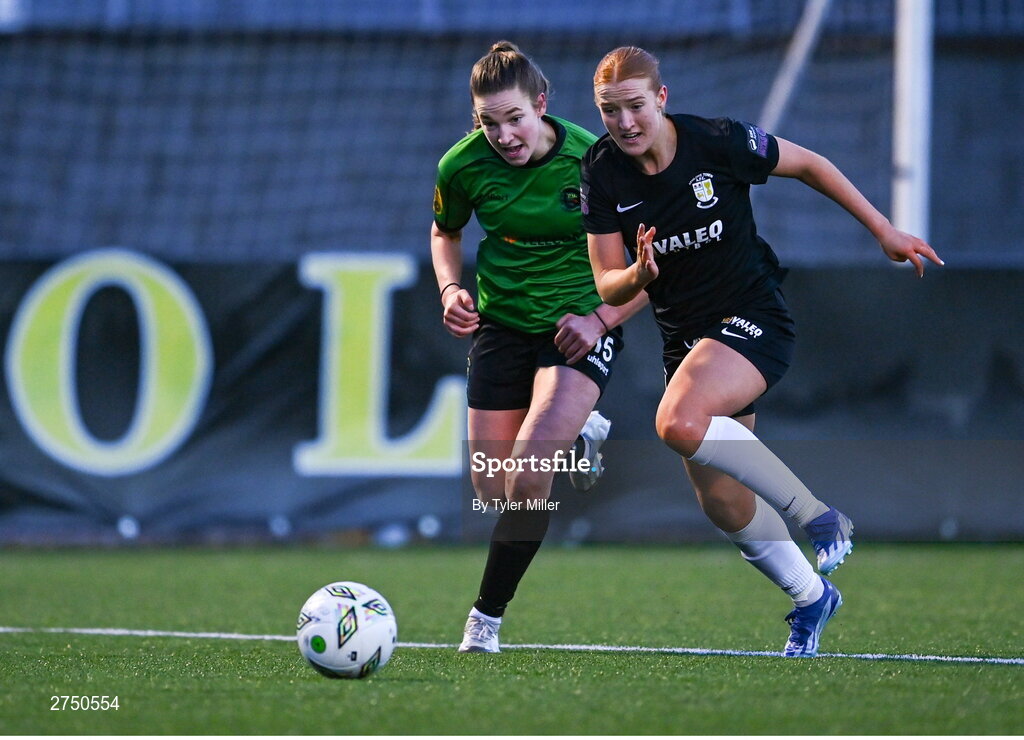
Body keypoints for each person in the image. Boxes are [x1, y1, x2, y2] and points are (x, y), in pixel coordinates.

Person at [581, 46, 943, 657]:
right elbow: (606, 284)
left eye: (635, 106)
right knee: (722, 500)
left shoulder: (717, 141)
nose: (624, 123)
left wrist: (883, 229)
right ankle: (811, 597)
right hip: (687, 342)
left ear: (661, 100)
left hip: (754, 318)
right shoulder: (601, 171)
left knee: (677, 420)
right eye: (610, 111)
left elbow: (811, 165)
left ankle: (820, 515)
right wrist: (639, 276)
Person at [431, 41, 649, 653]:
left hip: (576, 325)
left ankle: (485, 619)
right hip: (501, 327)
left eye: (514, 118)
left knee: (528, 477)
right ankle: (581, 436)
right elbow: (445, 231)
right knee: (491, 490)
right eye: (488, 122)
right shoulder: (461, 166)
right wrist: (450, 286)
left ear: (542, 105)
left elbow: (654, 268)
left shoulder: (596, 160)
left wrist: (601, 319)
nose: (503, 134)